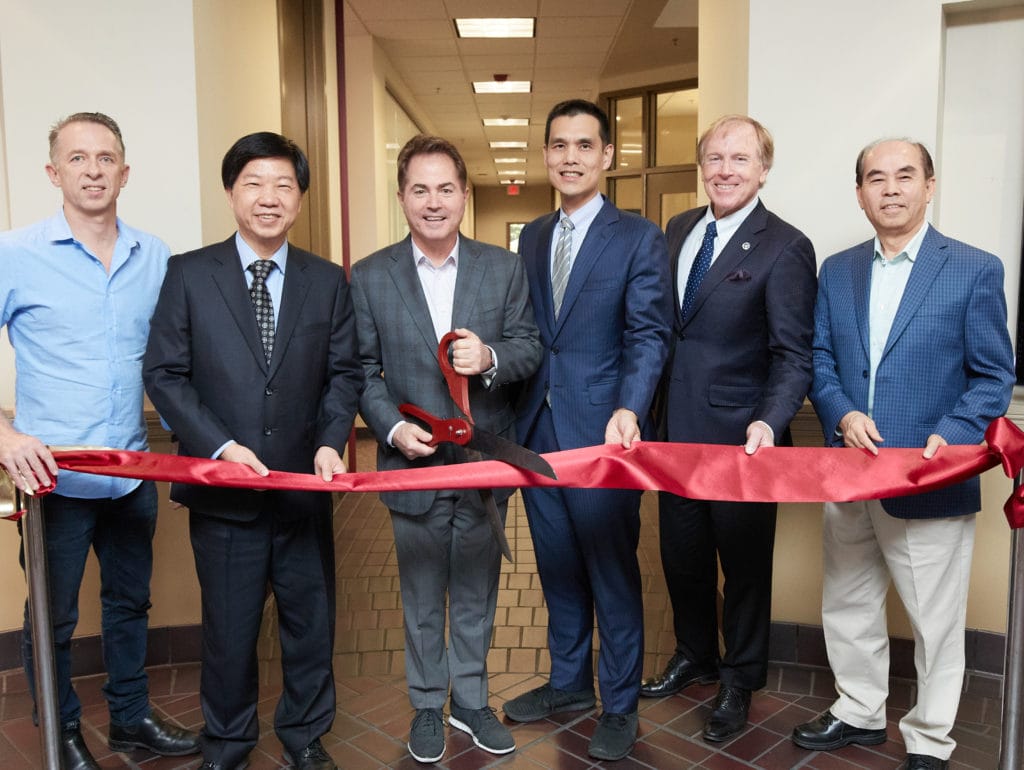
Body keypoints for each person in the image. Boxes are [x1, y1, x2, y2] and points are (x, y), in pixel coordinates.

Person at [143, 132, 363, 770]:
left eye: (284, 186)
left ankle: (305, 736)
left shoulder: (326, 281)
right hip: (223, 492)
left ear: (299, 199)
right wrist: (219, 445)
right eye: (254, 184)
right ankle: (229, 742)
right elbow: (165, 374)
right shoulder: (188, 273)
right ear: (231, 191)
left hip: (302, 491)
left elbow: (342, 374)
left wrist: (328, 443)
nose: (269, 199)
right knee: (230, 631)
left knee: (308, 627)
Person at [793, 139, 1014, 770]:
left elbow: (993, 376)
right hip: (851, 468)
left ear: (930, 185)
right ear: (859, 193)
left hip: (929, 474)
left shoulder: (974, 268)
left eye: (904, 176)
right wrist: (841, 413)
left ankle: (929, 738)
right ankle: (858, 711)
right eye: (875, 178)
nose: (890, 189)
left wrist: (956, 429)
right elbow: (822, 361)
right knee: (847, 599)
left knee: (935, 620)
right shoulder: (837, 270)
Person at [0, 112, 200, 770]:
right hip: (52, 479)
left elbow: (179, 363)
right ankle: (60, 733)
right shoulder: (15, 254)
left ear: (125, 172)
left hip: (132, 472)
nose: (93, 169)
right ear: (53, 173)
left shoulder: (156, 256)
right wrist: (3, 433)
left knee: (129, 602)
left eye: (105, 158)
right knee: (53, 619)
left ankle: (131, 717)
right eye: (78, 158)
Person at [350, 134, 540, 764]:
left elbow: (528, 348)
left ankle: (473, 701)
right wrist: (390, 429)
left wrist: (489, 358)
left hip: (484, 463)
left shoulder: (503, 267)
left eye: (446, 189)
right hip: (413, 466)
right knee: (423, 593)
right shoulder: (373, 275)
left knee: (478, 591)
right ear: (403, 197)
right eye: (420, 189)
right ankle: (428, 706)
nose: (434, 202)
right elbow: (364, 371)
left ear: (464, 194)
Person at [502, 99, 673, 761]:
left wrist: (631, 406)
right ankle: (569, 684)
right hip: (538, 430)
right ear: (546, 156)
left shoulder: (637, 237)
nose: (570, 157)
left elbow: (649, 334)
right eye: (558, 145)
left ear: (607, 157)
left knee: (610, 568)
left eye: (584, 145)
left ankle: (620, 703)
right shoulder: (535, 236)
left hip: (604, 434)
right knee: (558, 567)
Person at [639, 115, 817, 742]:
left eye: (740, 159)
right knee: (681, 558)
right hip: (674, 434)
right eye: (714, 158)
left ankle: (739, 679)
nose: (724, 170)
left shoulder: (785, 245)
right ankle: (695, 655)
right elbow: (668, 329)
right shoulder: (680, 228)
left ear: (763, 169)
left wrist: (770, 421)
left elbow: (795, 353)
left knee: (742, 567)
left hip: (744, 441)